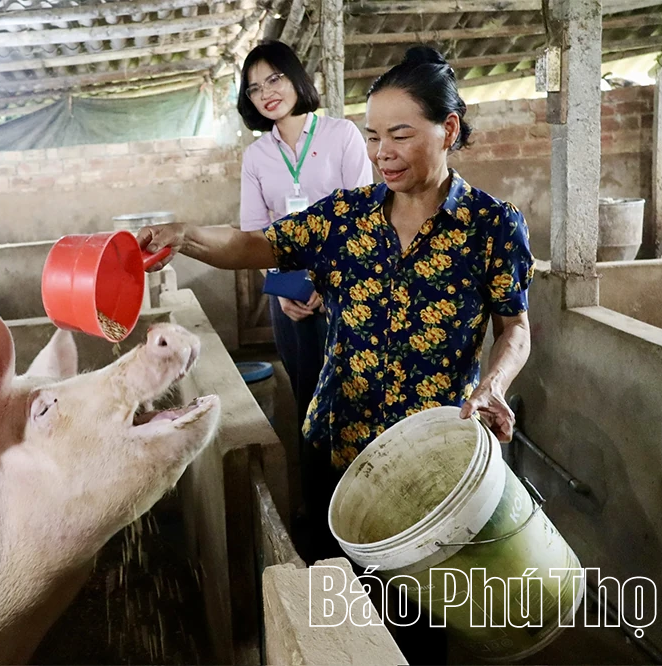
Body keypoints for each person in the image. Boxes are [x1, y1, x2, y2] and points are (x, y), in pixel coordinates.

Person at [139, 45, 535, 561]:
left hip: (430, 448)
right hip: (337, 438)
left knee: (419, 608)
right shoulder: (346, 217)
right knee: (339, 591)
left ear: (449, 130)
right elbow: (254, 244)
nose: (381, 153)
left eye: (400, 135)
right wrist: (185, 235)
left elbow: (515, 328)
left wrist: (494, 386)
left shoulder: (492, 226)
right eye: (373, 136)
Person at [235, 40, 373, 547]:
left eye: (274, 78)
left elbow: (361, 217)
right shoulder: (257, 156)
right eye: (254, 87)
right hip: (290, 301)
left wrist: (321, 281)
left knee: (354, 399)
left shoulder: (341, 135)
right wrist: (288, 288)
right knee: (308, 401)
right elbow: (255, 235)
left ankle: (365, 516)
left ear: (296, 78)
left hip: (345, 292)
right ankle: (321, 525)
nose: (266, 92)